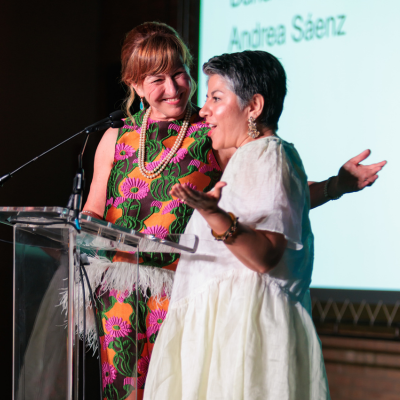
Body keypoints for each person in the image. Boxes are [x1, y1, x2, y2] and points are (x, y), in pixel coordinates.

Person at [82, 23, 385, 399]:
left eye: (179, 74)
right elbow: (94, 208)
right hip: (120, 291)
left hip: (177, 288)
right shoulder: (116, 137)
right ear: (136, 85)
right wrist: (83, 228)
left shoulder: (212, 130)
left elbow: (271, 193)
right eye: (158, 79)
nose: (174, 88)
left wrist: (334, 187)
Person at [144, 50, 330, 399]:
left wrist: (213, 214)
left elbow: (264, 256)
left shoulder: (268, 153)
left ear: (254, 106)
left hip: (242, 340)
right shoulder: (252, 157)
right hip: (222, 332)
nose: (204, 110)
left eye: (216, 98)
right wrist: (336, 186)